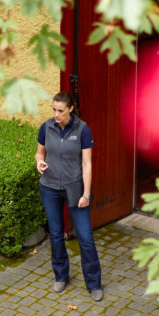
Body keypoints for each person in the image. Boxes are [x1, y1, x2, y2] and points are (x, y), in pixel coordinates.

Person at [35, 91, 103, 300]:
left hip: (75, 189)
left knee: (85, 237)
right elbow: (40, 152)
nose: (56, 114)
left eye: (60, 111)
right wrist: (39, 161)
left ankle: (94, 283)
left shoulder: (82, 130)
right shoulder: (46, 127)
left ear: (70, 109)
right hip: (50, 187)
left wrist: (86, 193)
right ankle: (61, 275)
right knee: (56, 234)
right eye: (53, 109)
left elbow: (87, 164)